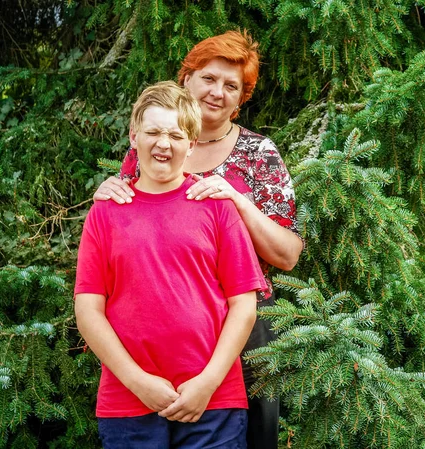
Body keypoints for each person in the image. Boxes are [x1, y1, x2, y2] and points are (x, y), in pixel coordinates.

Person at [93, 31, 304, 449]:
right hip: (161, 325)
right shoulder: (154, 140)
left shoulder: (258, 153)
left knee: (252, 432)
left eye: (232, 87)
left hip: (245, 317)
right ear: (186, 79)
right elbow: (134, 216)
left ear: (241, 98)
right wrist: (108, 190)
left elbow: (288, 254)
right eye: (209, 78)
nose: (217, 93)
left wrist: (237, 201)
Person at [76, 80, 267, 448]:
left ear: (191, 144)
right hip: (128, 403)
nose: (164, 143)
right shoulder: (106, 213)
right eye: (153, 132)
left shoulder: (215, 207)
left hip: (213, 402)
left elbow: (243, 305)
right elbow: (88, 311)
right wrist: (138, 382)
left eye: (176, 135)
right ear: (134, 137)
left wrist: (207, 383)